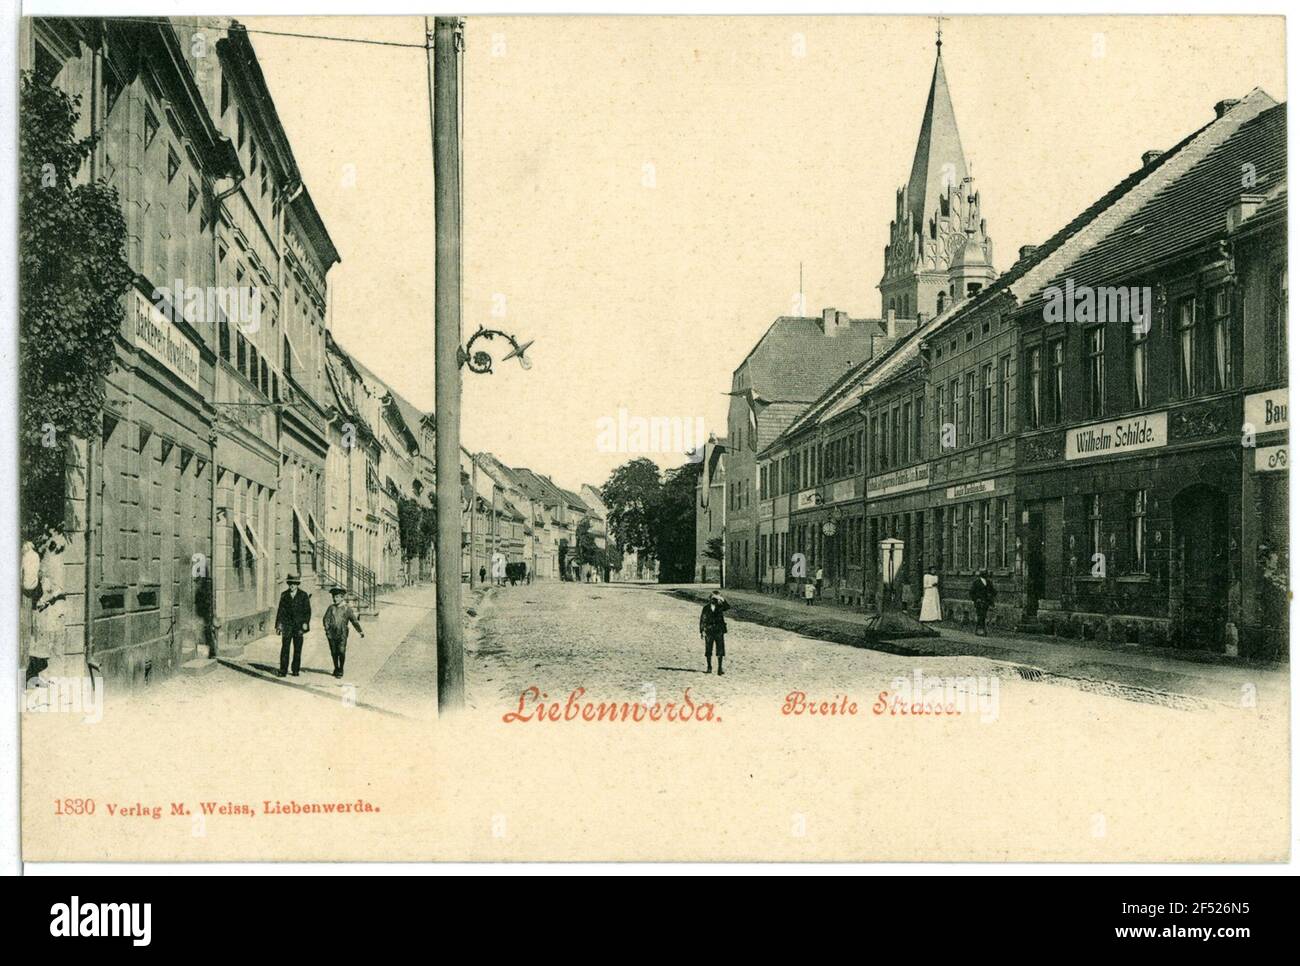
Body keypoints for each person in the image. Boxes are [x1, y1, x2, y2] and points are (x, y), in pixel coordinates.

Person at [29, 529, 66, 686]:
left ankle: (52, 676)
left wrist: (46, 599)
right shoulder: (45, 560)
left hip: (53, 609)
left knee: (52, 642)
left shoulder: (55, 562)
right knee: (44, 642)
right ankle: (43, 676)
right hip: (46, 609)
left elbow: (60, 588)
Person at [275, 574, 312, 677]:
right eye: (290, 583)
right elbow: (280, 612)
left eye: (294, 584)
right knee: (285, 648)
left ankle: (295, 669)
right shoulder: (284, 595)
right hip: (287, 626)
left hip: (298, 627)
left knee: (297, 649)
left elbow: (307, 611)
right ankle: (283, 670)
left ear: (297, 584)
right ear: (288, 584)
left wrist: (305, 623)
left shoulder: (303, 595)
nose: (292, 586)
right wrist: (278, 626)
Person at [322, 587, 364, 679]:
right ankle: (336, 668)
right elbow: (325, 619)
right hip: (331, 634)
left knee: (341, 651)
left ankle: (341, 668)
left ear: (342, 598)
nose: (334, 599)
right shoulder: (331, 608)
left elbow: (354, 621)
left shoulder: (347, 609)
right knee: (334, 651)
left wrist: (360, 631)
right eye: (333, 597)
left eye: (337, 597)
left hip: (342, 633)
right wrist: (327, 629)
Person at [698, 590, 729, 675]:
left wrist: (721, 598)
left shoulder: (720, 607)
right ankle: (709, 667)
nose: (714, 600)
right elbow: (702, 620)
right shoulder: (706, 608)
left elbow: (727, 607)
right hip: (709, 631)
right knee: (708, 648)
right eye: (712, 598)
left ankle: (720, 668)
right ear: (709, 598)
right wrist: (702, 631)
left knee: (720, 649)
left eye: (715, 599)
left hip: (719, 630)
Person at [969, 569, 996, 636]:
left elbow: (993, 591)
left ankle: (980, 630)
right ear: (982, 575)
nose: (987, 575)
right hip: (979, 602)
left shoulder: (989, 582)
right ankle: (980, 630)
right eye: (985, 574)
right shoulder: (976, 582)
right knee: (980, 616)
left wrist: (991, 596)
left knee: (983, 616)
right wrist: (976, 599)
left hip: (986, 602)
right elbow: (971, 592)